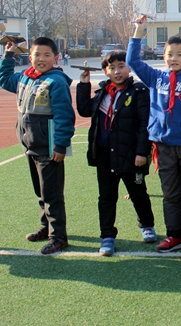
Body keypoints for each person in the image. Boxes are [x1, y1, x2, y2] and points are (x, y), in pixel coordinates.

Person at [127, 16, 181, 260]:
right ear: (163, 56)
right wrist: (138, 32)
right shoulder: (156, 78)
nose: (173, 58)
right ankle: (174, 235)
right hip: (163, 147)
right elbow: (132, 61)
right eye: (169, 54)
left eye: (179, 54)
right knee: (169, 194)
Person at [0, 38, 76, 255]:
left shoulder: (56, 82)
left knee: (52, 194)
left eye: (46, 55)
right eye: (37, 55)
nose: (41, 59)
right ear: (30, 57)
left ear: (56, 58)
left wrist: (60, 145)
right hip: (30, 144)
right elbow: (4, 80)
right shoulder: (25, 77)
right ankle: (45, 227)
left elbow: (64, 116)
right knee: (40, 191)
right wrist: (8, 55)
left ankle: (58, 237)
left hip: (48, 148)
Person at [76, 50, 157, 256]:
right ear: (105, 71)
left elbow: (144, 124)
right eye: (112, 67)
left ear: (129, 68)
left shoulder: (139, 91)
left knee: (139, 194)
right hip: (105, 155)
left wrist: (142, 152)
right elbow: (84, 110)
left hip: (131, 155)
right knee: (106, 197)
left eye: (121, 66)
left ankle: (147, 225)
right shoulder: (102, 93)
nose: (117, 71)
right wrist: (84, 84)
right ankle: (107, 236)